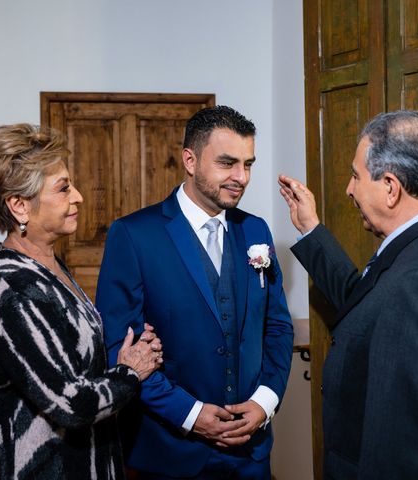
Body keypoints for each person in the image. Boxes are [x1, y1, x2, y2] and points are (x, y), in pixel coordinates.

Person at [278, 110, 418, 479]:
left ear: (390, 186)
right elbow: (367, 306)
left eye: (356, 176)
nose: (349, 188)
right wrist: (311, 230)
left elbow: (399, 455)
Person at [96, 105, 294, 479]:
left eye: (248, 164)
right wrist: (190, 414)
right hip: (169, 454)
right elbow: (116, 346)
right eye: (227, 163)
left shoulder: (256, 232)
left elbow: (278, 327)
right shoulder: (135, 235)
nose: (241, 177)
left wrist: (264, 402)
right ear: (190, 160)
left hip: (251, 453)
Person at [0, 123, 163, 479]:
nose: (79, 197)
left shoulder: (48, 265)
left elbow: (67, 361)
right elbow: (72, 404)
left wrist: (122, 356)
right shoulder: (11, 289)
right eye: (63, 188)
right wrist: (131, 371)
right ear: (19, 206)